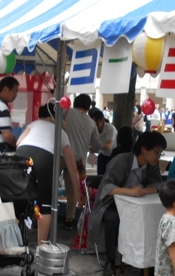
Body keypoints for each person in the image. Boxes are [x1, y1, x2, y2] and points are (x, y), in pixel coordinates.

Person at [89, 131, 167, 276]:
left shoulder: (152, 165)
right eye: (157, 152)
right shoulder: (122, 161)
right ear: (144, 149)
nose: (158, 157)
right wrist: (130, 192)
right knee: (114, 219)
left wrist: (145, 190)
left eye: (160, 154)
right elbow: (106, 187)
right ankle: (110, 262)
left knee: (150, 218)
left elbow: (158, 184)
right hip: (111, 203)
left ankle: (147, 264)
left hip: (136, 205)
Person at [17, 101, 79, 244]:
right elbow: (72, 167)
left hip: (21, 156)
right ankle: (41, 247)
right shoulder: (61, 133)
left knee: (18, 200)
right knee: (45, 206)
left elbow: (18, 142)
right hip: (43, 160)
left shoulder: (34, 124)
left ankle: (16, 242)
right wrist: (78, 192)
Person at [62, 94, 101, 230]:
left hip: (61, 155)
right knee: (73, 190)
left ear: (75, 103)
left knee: (53, 185)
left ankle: (46, 213)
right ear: (88, 107)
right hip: (78, 160)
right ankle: (69, 219)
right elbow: (96, 146)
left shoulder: (68, 113)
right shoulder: (91, 123)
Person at [89, 108, 117, 176]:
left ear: (102, 120)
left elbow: (109, 146)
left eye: (96, 121)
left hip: (113, 156)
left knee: (109, 176)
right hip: (102, 154)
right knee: (98, 175)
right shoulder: (93, 129)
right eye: (92, 121)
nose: (94, 124)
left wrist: (96, 145)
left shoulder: (110, 128)